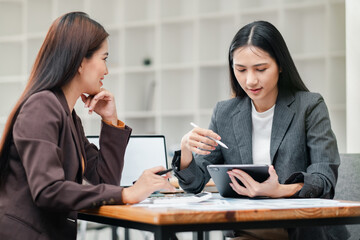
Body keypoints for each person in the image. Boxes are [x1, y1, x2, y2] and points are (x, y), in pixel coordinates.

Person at [0, 12, 175, 240]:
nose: (106, 70)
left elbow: (104, 181)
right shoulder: (42, 106)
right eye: (104, 59)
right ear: (81, 61)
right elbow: (48, 190)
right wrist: (128, 193)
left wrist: (110, 122)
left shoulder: (68, 115)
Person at [172, 21, 349, 239]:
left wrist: (280, 191)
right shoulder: (225, 112)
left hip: (299, 229)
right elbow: (195, 183)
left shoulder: (309, 106)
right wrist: (186, 150)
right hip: (247, 229)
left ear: (280, 65)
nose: (250, 80)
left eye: (261, 69)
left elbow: (324, 179)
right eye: (241, 70)